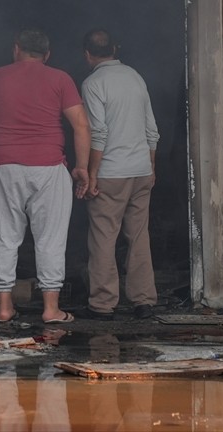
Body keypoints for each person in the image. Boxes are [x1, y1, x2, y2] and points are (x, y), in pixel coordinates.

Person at [0, 28, 90, 324]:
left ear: (16, 49)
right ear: (47, 55)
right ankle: (51, 309)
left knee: (2, 237)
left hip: (4, 166)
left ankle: (4, 308)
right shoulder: (60, 78)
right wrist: (81, 167)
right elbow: (81, 126)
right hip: (49, 166)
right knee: (50, 239)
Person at [79, 28, 159, 320]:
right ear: (115, 48)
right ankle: (144, 301)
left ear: (87, 54)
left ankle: (102, 304)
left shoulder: (93, 83)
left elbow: (98, 132)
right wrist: (151, 166)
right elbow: (152, 129)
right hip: (140, 170)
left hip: (111, 172)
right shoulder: (135, 77)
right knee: (138, 236)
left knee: (103, 237)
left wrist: (93, 173)